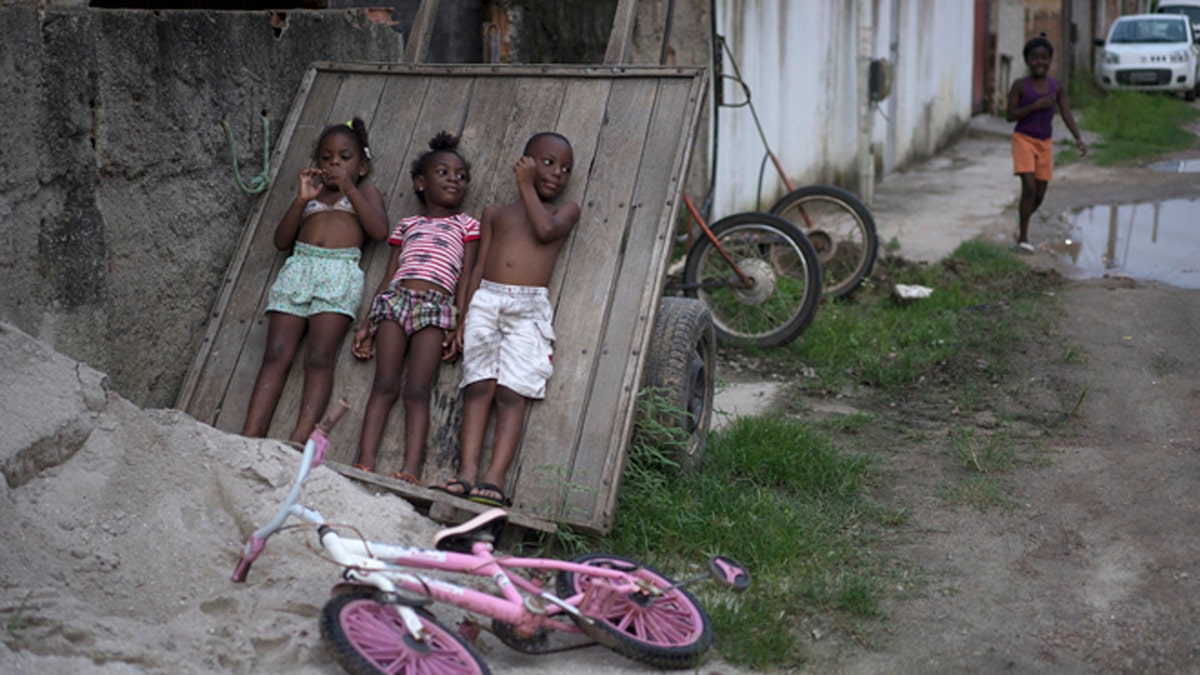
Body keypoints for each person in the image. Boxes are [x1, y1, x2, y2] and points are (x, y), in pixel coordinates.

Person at [432, 132, 581, 507]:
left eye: (565, 168)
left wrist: (524, 185)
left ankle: (494, 477)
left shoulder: (565, 211)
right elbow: (478, 267)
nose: (557, 173)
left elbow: (544, 232)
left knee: (512, 391)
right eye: (547, 162)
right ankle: (466, 472)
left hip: (528, 308)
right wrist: (462, 319)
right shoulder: (495, 214)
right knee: (478, 385)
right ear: (525, 161)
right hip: (487, 300)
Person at [241, 118, 389, 443]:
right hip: (300, 268)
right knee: (277, 351)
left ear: (362, 166)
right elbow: (281, 242)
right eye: (326, 157)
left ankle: (299, 437)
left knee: (320, 356)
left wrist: (349, 187)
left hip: (339, 273)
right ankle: (250, 435)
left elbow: (379, 231)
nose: (334, 162)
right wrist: (300, 200)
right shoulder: (311, 198)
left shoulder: (366, 193)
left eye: (344, 157)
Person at [349, 132, 479, 484]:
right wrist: (368, 322)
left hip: (436, 308)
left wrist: (459, 322)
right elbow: (390, 274)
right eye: (443, 172)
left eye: (461, 175)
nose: (454, 179)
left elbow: (466, 278)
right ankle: (363, 461)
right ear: (421, 183)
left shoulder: (466, 225)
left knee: (418, 390)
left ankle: (410, 469)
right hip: (396, 303)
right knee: (384, 383)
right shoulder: (407, 225)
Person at [1006, 34, 1087, 253]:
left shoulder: (1056, 86)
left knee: (1040, 193)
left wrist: (1078, 138)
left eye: (1044, 58)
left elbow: (1067, 114)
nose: (1039, 62)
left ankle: (1021, 222)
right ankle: (1023, 238)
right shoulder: (1021, 85)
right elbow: (1010, 115)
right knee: (1029, 188)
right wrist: (1035, 106)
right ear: (1027, 61)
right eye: (1034, 58)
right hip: (1023, 139)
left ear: (1050, 60)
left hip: (1045, 143)